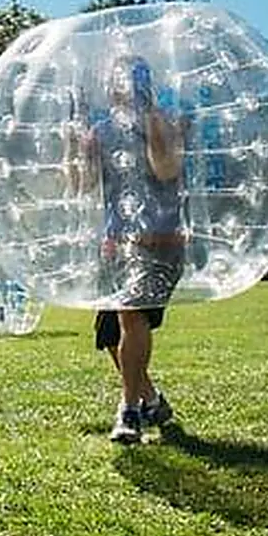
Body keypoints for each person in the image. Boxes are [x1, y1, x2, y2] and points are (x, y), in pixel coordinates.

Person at [71, 56, 187, 445]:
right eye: (116, 79)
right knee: (109, 334)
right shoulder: (101, 132)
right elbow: (83, 187)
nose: (120, 87)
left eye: (131, 80)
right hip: (115, 244)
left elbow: (166, 169)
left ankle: (130, 412)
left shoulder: (164, 122)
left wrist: (150, 118)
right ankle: (152, 400)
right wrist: (75, 148)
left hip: (159, 240)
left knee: (131, 319)